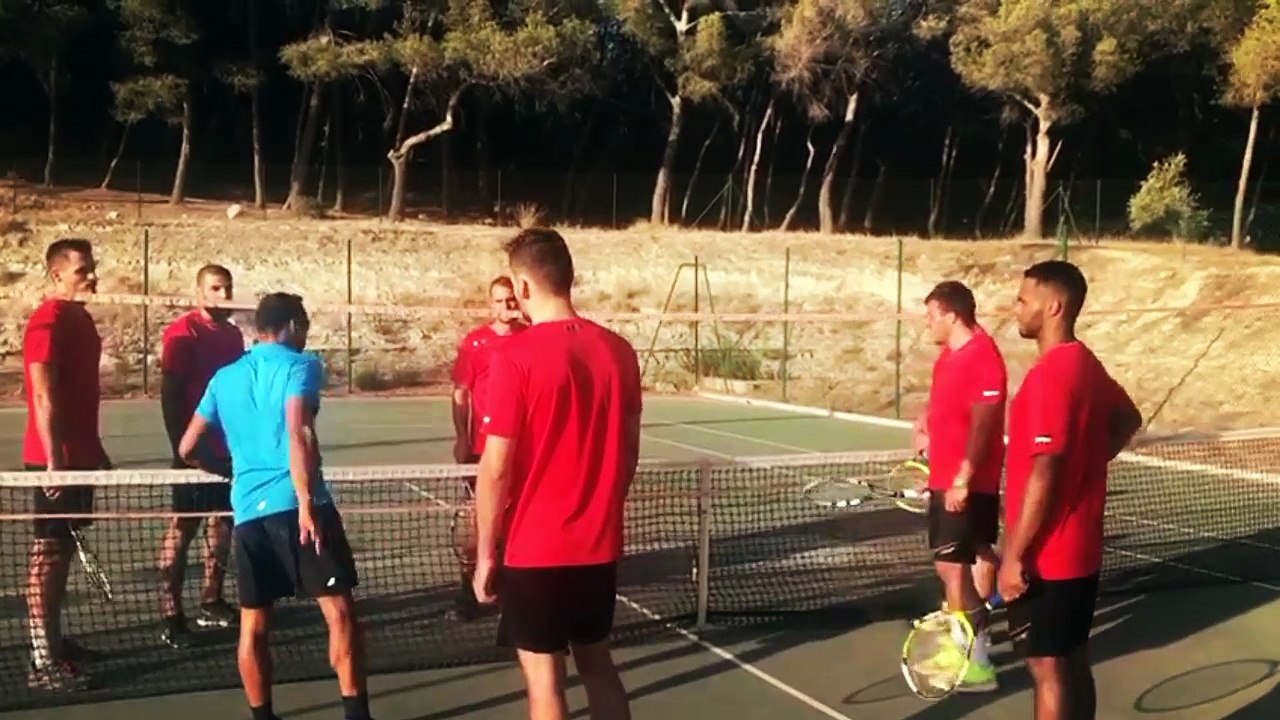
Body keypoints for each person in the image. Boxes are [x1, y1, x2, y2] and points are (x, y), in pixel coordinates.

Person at [177, 293, 373, 720]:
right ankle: (357, 715)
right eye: (303, 326)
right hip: (302, 507)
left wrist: (229, 470)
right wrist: (305, 502)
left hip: (250, 516)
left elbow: (188, 447)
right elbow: (299, 430)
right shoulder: (301, 365)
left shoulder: (223, 378)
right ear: (291, 326)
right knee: (339, 614)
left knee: (254, 626)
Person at [472, 228, 641, 720]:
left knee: (545, 685)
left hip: (535, 551)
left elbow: (496, 468)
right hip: (598, 548)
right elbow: (628, 454)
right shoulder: (619, 351)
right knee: (598, 664)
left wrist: (485, 555)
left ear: (523, 287)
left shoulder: (513, 358)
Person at [1001, 260, 1142, 720]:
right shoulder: (1086, 363)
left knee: (1047, 668)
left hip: (1048, 556)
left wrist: (1015, 555)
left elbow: (1044, 472)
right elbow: (1127, 419)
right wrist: (1088, 461)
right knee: (1074, 660)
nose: (1015, 309)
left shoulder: (1048, 377)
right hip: (1082, 552)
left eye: (1024, 301)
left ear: (1054, 306)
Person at [22, 237, 112, 692]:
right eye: (82, 270)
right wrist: (56, 460)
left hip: (79, 458)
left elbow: (80, 395)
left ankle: (56, 642)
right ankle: (42, 659)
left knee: (62, 556)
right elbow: (43, 392)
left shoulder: (80, 319)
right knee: (48, 557)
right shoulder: (49, 319)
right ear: (58, 274)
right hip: (53, 460)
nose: (92, 276)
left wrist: (94, 450)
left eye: (92, 267)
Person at [917, 280, 1007, 693]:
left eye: (932, 315)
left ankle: (978, 662)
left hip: (966, 483)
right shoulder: (948, 357)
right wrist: (925, 425)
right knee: (954, 566)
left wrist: (962, 480)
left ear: (952, 315)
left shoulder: (984, 357)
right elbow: (943, 405)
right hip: (945, 477)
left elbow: (985, 425)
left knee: (954, 570)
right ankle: (962, 646)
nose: (928, 324)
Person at [156, 264, 245, 647]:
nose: (222, 296)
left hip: (229, 451)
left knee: (223, 525)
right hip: (193, 452)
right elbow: (170, 397)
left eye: (227, 289)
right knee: (183, 529)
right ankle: (171, 613)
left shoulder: (234, 335)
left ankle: (212, 599)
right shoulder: (182, 333)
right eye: (215, 288)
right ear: (199, 292)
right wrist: (186, 451)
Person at [449, 276, 527, 620]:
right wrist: (462, 437)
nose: (506, 306)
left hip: (524, 450)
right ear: (490, 304)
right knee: (479, 523)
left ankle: (515, 593)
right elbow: (461, 393)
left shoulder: (532, 338)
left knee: (519, 523)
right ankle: (472, 593)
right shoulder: (475, 343)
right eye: (499, 300)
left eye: (511, 299)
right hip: (483, 449)